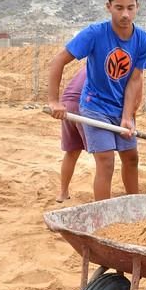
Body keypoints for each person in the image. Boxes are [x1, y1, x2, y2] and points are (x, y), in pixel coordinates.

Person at [47, 0, 146, 201]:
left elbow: (135, 80)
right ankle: (102, 219)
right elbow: (58, 61)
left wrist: (127, 117)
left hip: (120, 108)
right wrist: (54, 101)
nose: (125, 14)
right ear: (108, 7)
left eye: (130, 8)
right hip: (94, 105)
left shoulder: (144, 40)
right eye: (119, 8)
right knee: (106, 162)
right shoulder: (95, 33)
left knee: (131, 157)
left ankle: (136, 206)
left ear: (137, 7)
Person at [56, 67, 87, 202]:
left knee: (72, 151)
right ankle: (102, 197)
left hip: (67, 103)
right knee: (103, 154)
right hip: (84, 103)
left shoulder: (86, 66)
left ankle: (63, 193)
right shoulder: (107, 64)